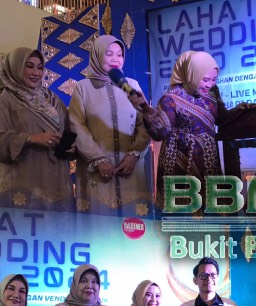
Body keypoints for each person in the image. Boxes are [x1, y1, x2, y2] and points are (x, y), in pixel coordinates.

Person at [69, 35, 152, 216]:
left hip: (130, 168)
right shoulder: (83, 88)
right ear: (97, 55)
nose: (116, 59)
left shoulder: (132, 85)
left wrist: (134, 155)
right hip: (96, 170)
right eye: (109, 54)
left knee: (132, 223)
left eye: (120, 54)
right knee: (100, 222)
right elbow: (77, 126)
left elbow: (144, 124)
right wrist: (97, 159)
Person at [139, 50, 223, 209]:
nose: (209, 84)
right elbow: (161, 132)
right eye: (205, 80)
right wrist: (148, 114)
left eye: (213, 80)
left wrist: (245, 111)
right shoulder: (171, 98)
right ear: (192, 74)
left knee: (209, 208)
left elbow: (222, 118)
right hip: (179, 162)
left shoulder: (212, 95)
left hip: (208, 161)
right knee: (181, 209)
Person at [0, 47, 74, 210]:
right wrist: (30, 139)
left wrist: (71, 146)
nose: (36, 73)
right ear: (15, 67)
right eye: (29, 66)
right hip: (24, 179)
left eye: (40, 67)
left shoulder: (52, 98)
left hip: (57, 178)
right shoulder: (5, 100)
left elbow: (68, 130)